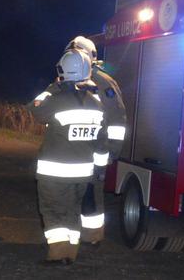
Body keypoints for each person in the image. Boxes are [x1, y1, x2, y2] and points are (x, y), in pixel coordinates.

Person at [28, 49, 108, 264]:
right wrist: (98, 171)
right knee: (72, 211)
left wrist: (52, 87)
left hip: (54, 173)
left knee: (53, 210)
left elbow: (34, 111)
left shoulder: (56, 99)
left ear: (64, 71)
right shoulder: (96, 104)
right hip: (83, 173)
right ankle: (69, 253)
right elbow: (102, 143)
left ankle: (58, 254)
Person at [65, 36, 127, 245]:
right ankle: (69, 236)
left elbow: (117, 119)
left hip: (95, 150)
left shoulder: (103, 82)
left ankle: (92, 237)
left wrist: (110, 152)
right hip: (71, 149)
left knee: (91, 195)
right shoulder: (67, 78)